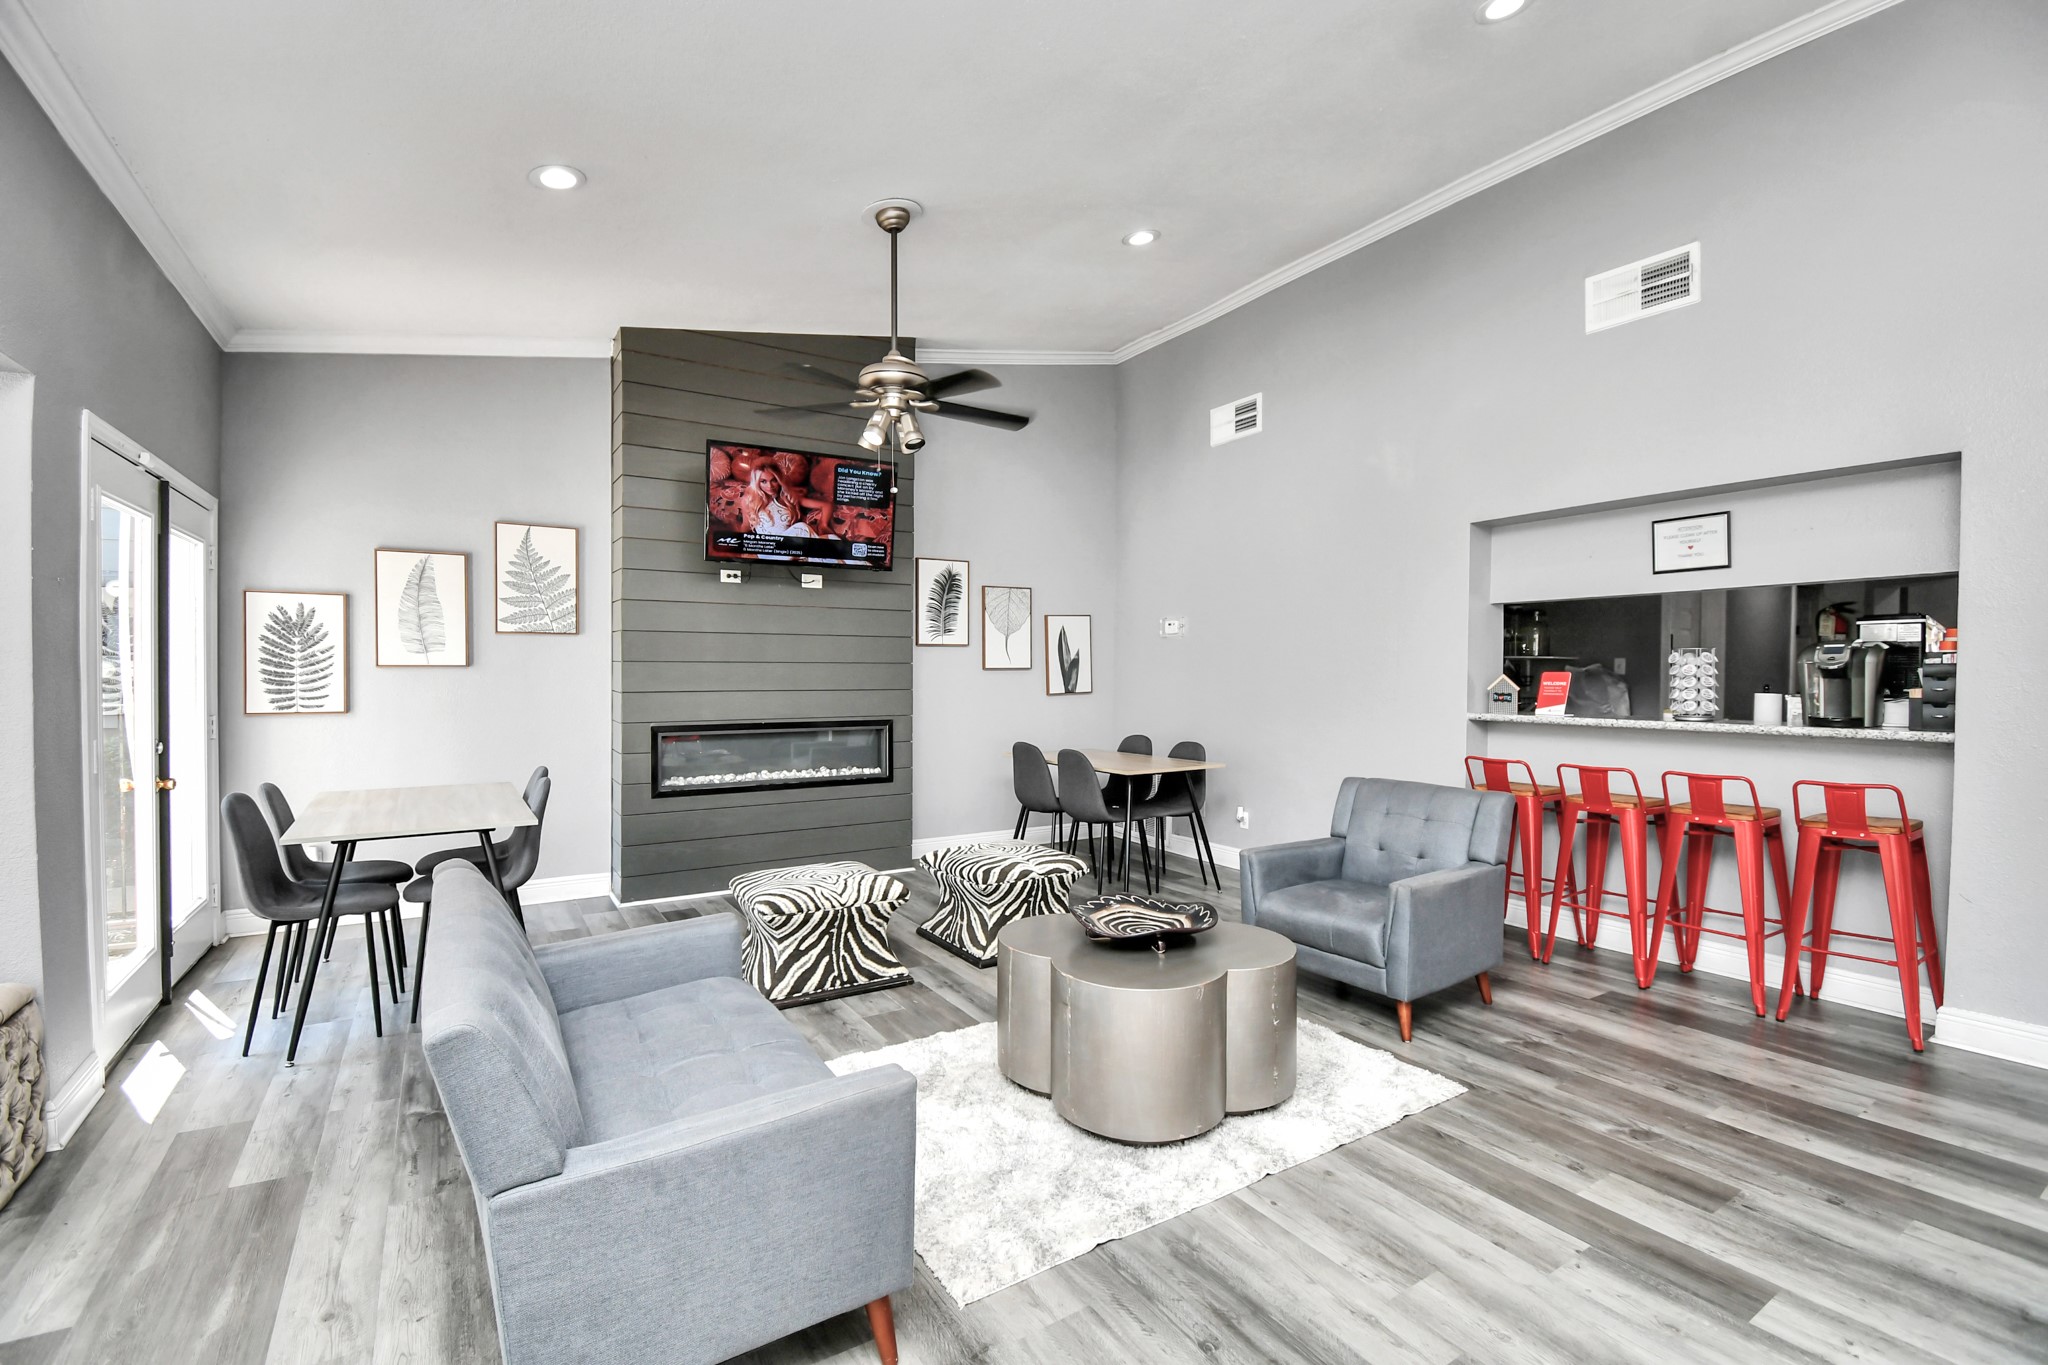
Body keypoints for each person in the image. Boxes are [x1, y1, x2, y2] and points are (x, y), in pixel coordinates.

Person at [739, 466, 810, 537]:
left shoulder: (787, 497)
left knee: (802, 527)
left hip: (789, 542)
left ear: (779, 481)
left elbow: (820, 505)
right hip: (766, 544)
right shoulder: (749, 500)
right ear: (757, 482)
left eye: (774, 480)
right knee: (802, 527)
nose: (769, 486)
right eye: (763, 481)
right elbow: (746, 526)